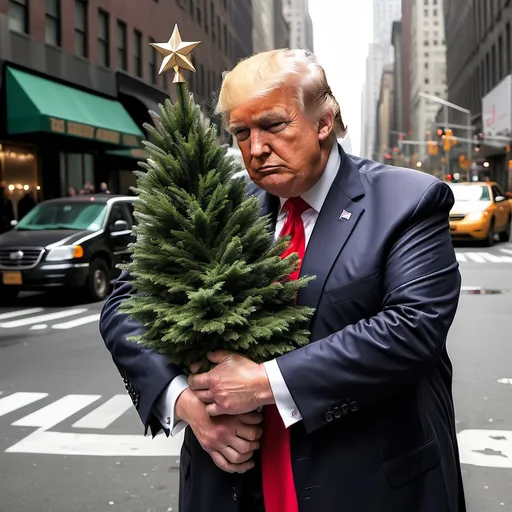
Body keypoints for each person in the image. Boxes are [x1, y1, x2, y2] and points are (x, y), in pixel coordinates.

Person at [100, 49, 466, 512]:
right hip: (229, 488)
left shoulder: (408, 201)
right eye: (241, 132)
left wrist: (262, 383)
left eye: (274, 125)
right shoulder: (219, 205)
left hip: (364, 487)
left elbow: (415, 327)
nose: (255, 148)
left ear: (324, 122)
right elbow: (124, 305)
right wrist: (188, 405)